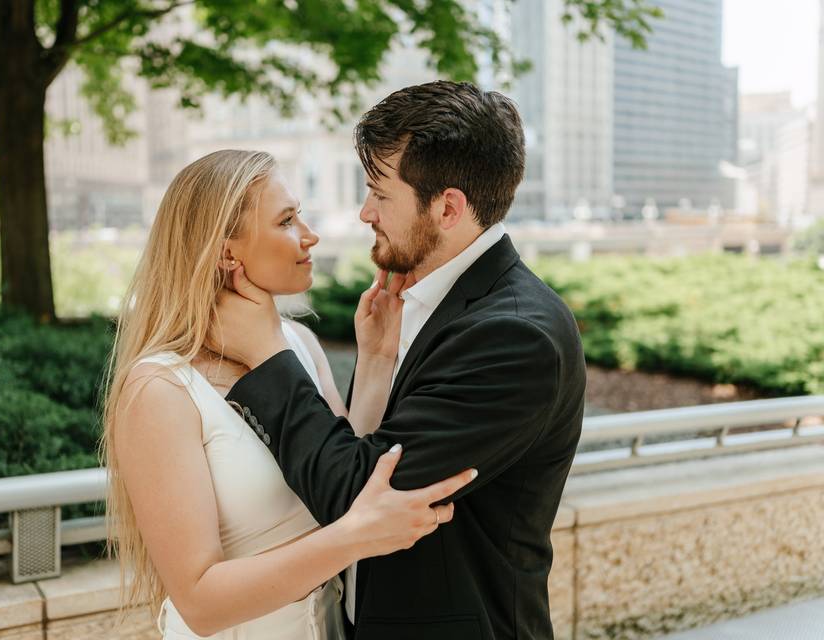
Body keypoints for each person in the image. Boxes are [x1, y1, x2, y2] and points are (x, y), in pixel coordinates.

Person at [213, 81, 587, 640]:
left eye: (380, 194)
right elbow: (378, 447)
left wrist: (265, 353)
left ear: (447, 207)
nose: (365, 213)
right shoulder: (431, 303)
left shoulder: (513, 335)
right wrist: (377, 359)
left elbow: (358, 495)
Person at [99, 149, 477, 640]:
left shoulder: (296, 343)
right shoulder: (159, 389)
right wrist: (354, 538)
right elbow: (200, 602)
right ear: (227, 252)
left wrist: (378, 360)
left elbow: (344, 483)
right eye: (286, 220)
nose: (309, 234)